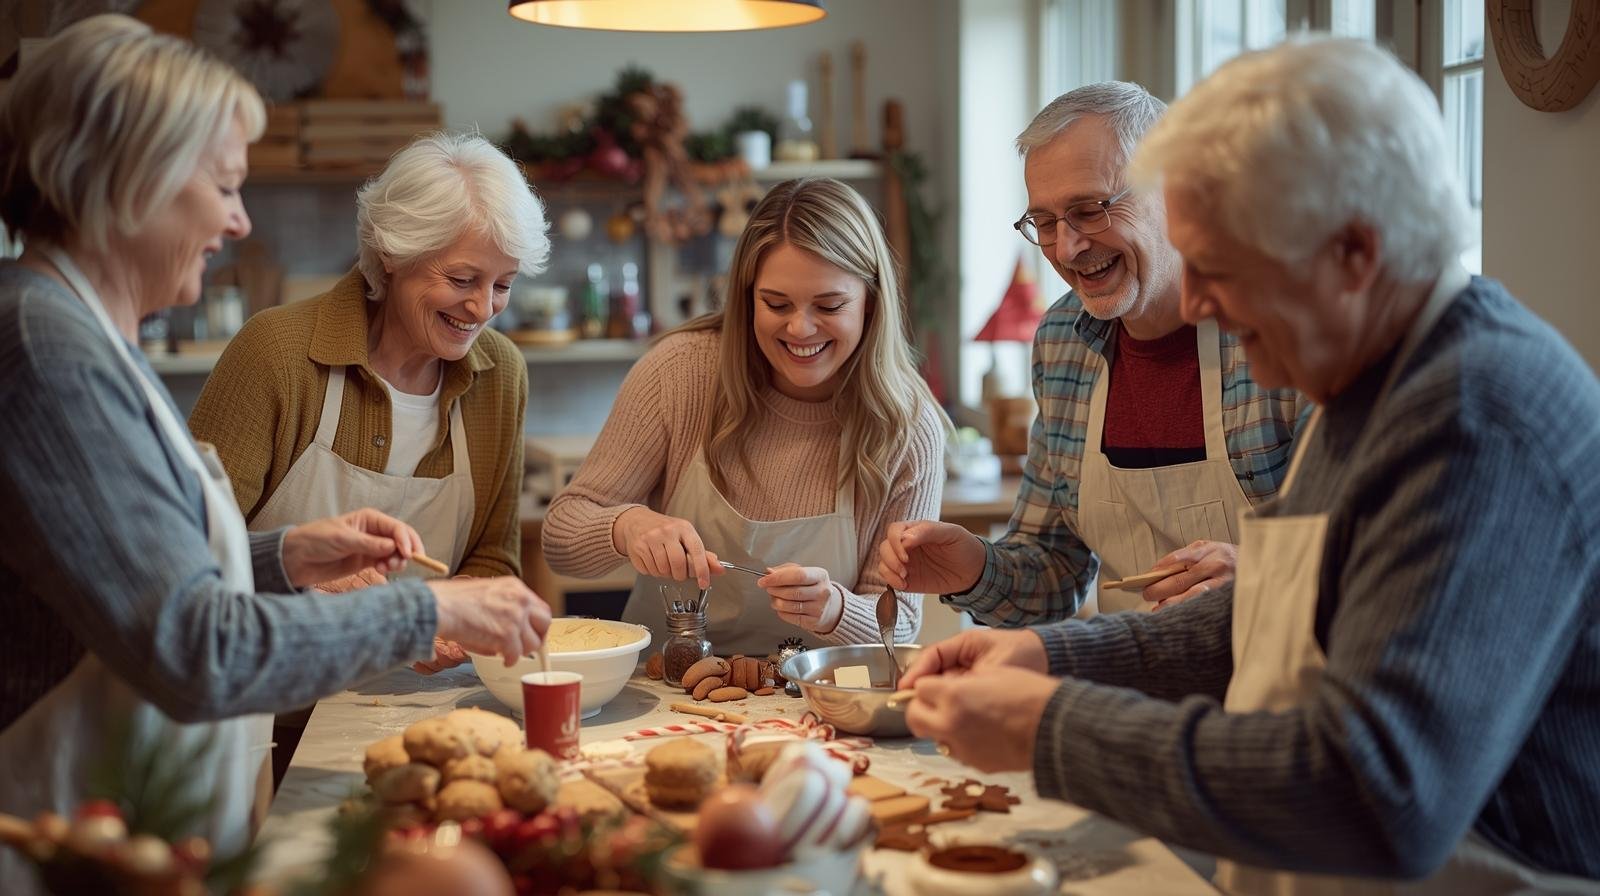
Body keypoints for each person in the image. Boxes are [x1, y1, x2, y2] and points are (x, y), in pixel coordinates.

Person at [901, 37, 1600, 892]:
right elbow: (1273, 614)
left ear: (1354, 253)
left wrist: (1055, 724)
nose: (1195, 304)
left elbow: (1379, 795)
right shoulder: (1371, 376)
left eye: (1222, 269)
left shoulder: (1474, 417)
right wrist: (1061, 661)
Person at [0, 16, 550, 890]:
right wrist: (426, 614)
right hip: (66, 836)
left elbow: (147, 569)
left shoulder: (84, 335)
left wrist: (286, 554)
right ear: (131, 182)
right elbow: (195, 646)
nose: (240, 219)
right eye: (222, 185)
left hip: (124, 824)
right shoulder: (47, 349)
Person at [879, 82, 1306, 621]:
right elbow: (1054, 569)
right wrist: (974, 569)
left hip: (1283, 687)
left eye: (1090, 209)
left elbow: (1375, 555)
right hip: (1133, 691)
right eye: (1045, 222)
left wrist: (1262, 569)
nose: (1067, 247)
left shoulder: (1286, 331)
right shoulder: (1063, 340)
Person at [190, 131, 548, 674]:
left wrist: (462, 615)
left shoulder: (500, 375)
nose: (482, 308)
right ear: (393, 253)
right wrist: (303, 575)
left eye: (504, 283)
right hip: (279, 703)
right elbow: (191, 548)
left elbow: (492, 554)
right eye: (461, 278)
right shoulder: (277, 354)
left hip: (429, 708)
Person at [543, 178, 947, 656]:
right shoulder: (680, 373)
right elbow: (560, 537)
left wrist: (834, 610)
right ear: (746, 295)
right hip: (660, 691)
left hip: (817, 701)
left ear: (871, 303)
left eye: (830, 305)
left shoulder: (905, 425)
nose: (801, 328)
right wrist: (626, 526)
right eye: (776, 304)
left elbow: (899, 627)